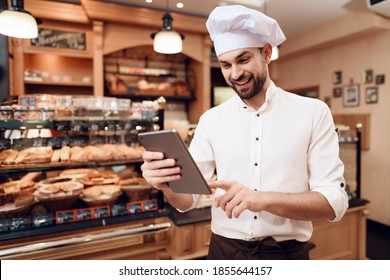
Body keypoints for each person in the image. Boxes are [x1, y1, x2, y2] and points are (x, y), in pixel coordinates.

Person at [141, 5, 349, 260]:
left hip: (286, 255)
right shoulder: (211, 120)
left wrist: (262, 199)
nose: (235, 74)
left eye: (243, 59)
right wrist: (166, 184)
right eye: (225, 65)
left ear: (267, 53)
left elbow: (335, 202)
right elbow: (187, 201)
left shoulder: (313, 112)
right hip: (224, 253)